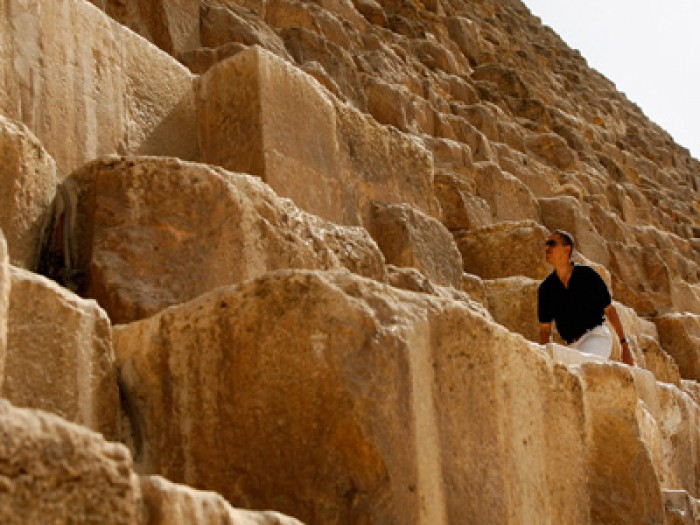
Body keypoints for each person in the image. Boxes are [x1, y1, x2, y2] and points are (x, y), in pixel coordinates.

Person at [538, 230, 635, 365]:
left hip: (596, 337)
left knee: (584, 366)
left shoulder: (587, 275)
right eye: (547, 244)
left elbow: (609, 310)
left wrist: (625, 345)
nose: (547, 248)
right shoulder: (546, 288)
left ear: (567, 249)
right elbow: (545, 330)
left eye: (552, 244)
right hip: (571, 346)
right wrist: (545, 358)